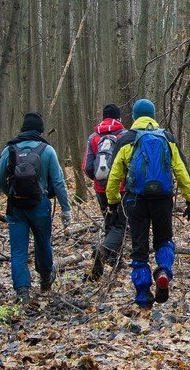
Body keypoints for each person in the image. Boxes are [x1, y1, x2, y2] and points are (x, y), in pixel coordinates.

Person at [104, 99, 190, 309]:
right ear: (153, 115)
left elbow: (114, 176)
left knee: (139, 248)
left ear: (135, 116)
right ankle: (163, 270)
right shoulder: (166, 138)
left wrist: (112, 202)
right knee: (164, 239)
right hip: (163, 200)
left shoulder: (126, 139)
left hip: (135, 200)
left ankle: (143, 295)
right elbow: (181, 171)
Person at [0, 112, 72, 303]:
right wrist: (66, 208)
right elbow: (59, 182)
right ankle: (45, 278)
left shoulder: (9, 149)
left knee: (18, 250)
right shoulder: (47, 150)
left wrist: (10, 193)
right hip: (40, 205)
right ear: (40, 130)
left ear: (23, 128)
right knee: (43, 242)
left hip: (16, 206)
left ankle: (22, 291)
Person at [82, 103, 128, 280]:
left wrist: (97, 179)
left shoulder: (93, 137)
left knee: (109, 220)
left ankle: (115, 260)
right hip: (122, 187)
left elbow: (86, 166)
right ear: (119, 118)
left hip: (101, 188)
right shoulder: (124, 135)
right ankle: (104, 250)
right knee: (121, 225)